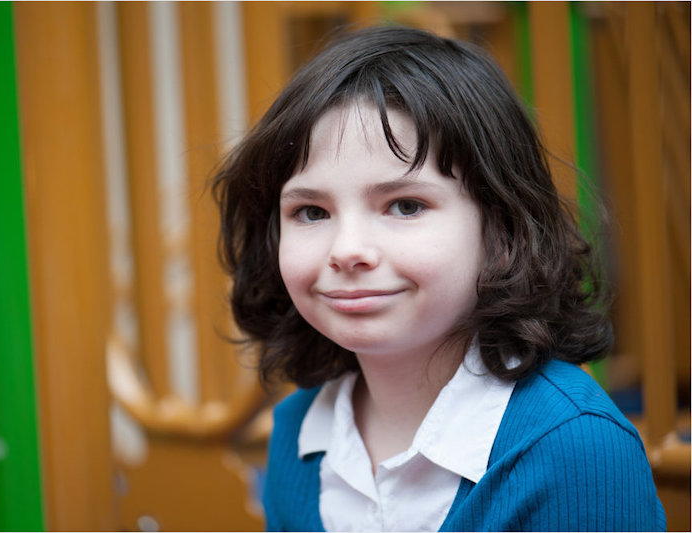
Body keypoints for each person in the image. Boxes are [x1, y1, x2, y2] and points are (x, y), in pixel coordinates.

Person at [212, 26, 665, 532]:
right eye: (312, 212)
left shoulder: (575, 447)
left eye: (405, 206)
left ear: (501, 228)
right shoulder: (297, 432)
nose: (347, 251)